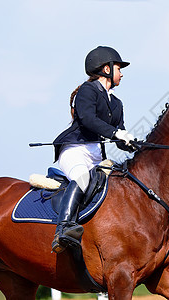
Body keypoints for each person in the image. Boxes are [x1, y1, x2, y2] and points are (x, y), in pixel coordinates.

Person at [51, 46, 136, 253]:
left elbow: (118, 137)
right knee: (82, 178)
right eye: (118, 68)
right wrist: (116, 133)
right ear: (106, 68)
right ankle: (63, 229)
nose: (122, 73)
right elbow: (88, 120)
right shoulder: (87, 91)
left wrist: (132, 143)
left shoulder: (116, 103)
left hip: (97, 156)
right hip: (76, 150)